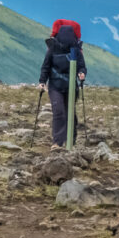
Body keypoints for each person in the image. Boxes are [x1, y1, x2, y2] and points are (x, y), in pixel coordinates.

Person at [38, 20, 87, 149]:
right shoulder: (60, 50)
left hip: (66, 86)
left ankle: (69, 141)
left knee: (67, 113)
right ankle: (59, 142)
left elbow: (81, 66)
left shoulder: (72, 50)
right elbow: (46, 67)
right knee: (60, 111)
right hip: (56, 87)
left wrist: (81, 72)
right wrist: (42, 82)